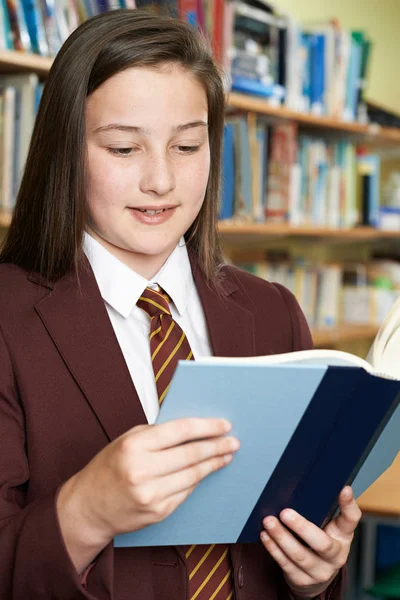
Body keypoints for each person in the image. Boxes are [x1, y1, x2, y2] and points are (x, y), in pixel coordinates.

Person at [0, 9, 361, 600]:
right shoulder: (8, 317)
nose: (161, 180)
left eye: (188, 145)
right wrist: (86, 510)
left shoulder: (273, 310)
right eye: (123, 149)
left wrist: (316, 573)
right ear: (66, 150)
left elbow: (298, 534)